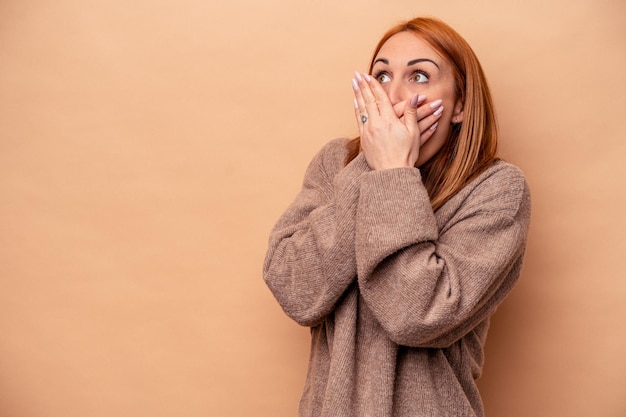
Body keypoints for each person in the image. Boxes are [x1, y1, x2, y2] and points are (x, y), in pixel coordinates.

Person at [263, 16, 531, 417]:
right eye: (381, 76)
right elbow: (294, 289)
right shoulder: (336, 164)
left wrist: (392, 175)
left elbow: (418, 315)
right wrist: (367, 168)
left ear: (459, 104)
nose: (393, 96)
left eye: (420, 76)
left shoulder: (496, 189)